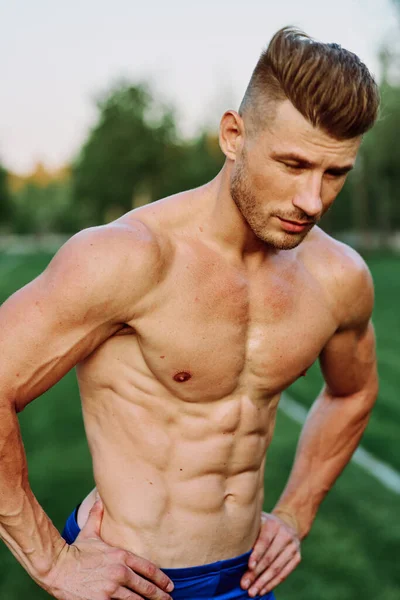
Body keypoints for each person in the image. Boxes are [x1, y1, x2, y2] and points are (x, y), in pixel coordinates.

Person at [0, 26, 380, 600]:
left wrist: (296, 512)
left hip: (248, 582)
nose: (312, 199)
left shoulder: (338, 277)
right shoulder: (127, 258)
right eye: (293, 164)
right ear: (234, 135)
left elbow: (353, 391)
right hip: (132, 582)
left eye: (334, 174)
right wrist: (53, 562)